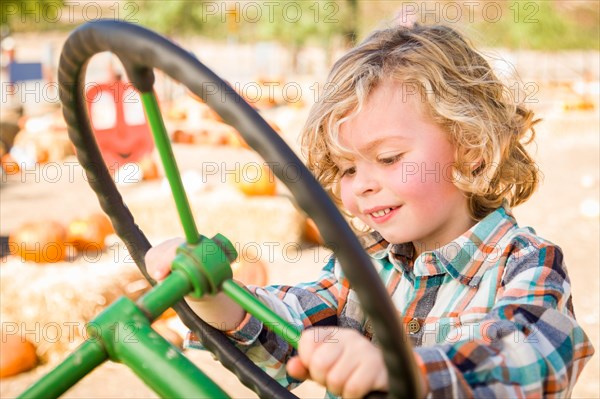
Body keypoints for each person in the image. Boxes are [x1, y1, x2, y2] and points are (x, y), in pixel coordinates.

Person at [147, 24, 594, 398]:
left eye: (388, 158)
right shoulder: (365, 263)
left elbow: (531, 362)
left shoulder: (526, 263)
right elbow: (290, 326)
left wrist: (401, 372)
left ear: (471, 148)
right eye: (345, 168)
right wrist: (214, 296)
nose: (362, 184)